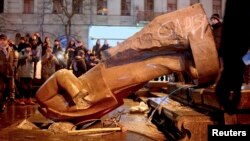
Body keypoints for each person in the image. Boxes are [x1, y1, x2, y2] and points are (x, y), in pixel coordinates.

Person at [215, 0, 250, 114]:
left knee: (235, 73)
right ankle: (231, 99)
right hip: (236, 45)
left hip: (236, 45)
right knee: (234, 73)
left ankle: (232, 99)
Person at [0, 34, 18, 112]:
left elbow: (15, 59)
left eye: (3, 40)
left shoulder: (12, 50)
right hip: (0, 73)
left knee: (8, 89)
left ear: (7, 41)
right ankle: (1, 105)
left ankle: (4, 102)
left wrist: (13, 66)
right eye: (0, 40)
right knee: (0, 89)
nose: (2, 41)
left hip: (9, 73)